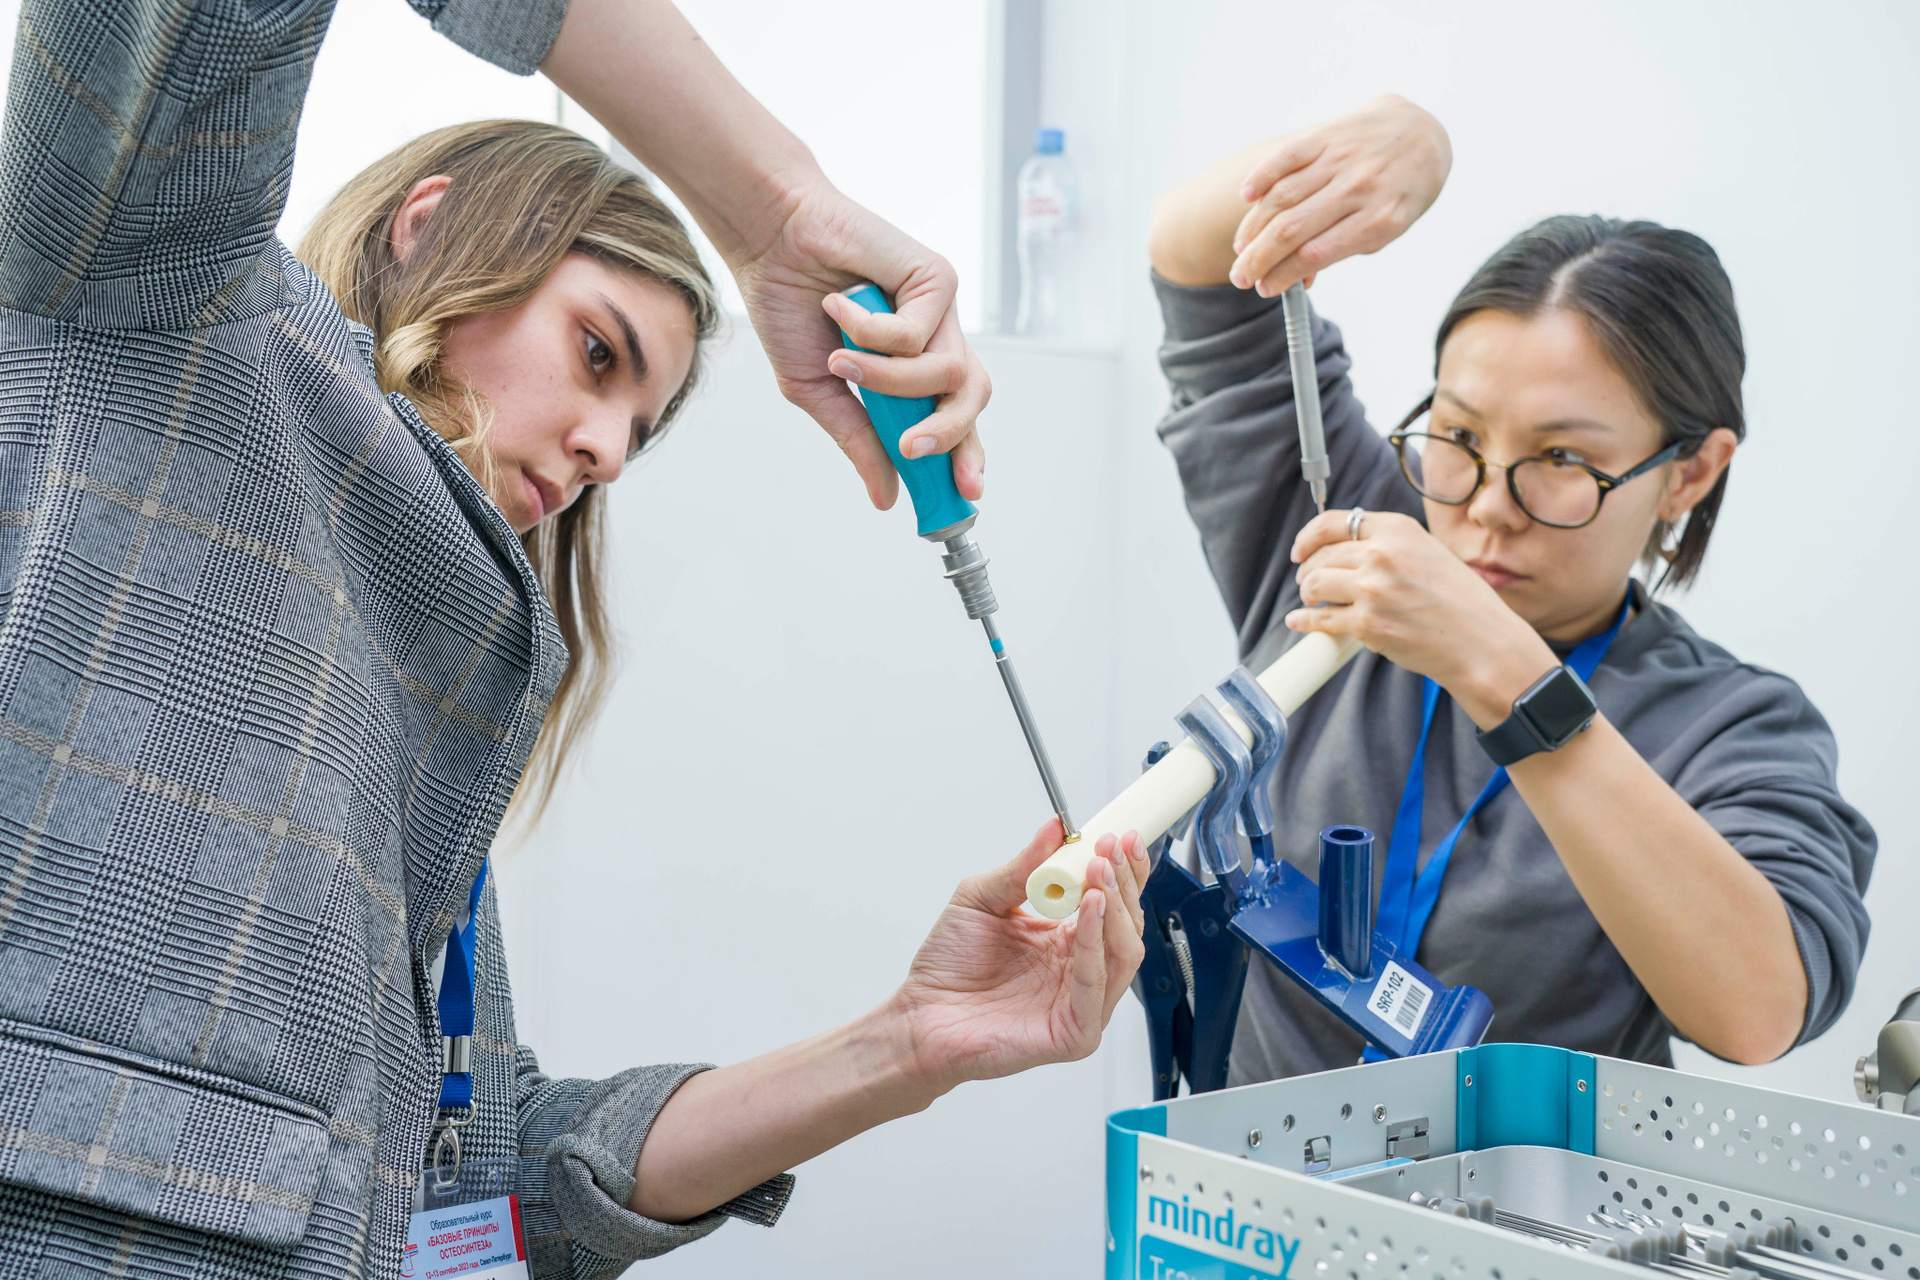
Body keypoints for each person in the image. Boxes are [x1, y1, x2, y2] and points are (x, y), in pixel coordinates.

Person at [0, 0, 1146, 1276]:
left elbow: (485, 1178)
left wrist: (910, 1041)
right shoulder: (157, 294)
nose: (604, 451)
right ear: (426, 225)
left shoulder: (427, 695)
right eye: (598, 352)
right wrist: (771, 211)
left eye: (637, 434)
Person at [1144, 95, 1873, 1083]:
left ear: (1689, 473)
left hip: (1522, 1190)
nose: (1488, 507)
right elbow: (1193, 262)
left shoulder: (1728, 724)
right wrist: (1400, 139)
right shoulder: (1344, 536)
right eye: (1458, 434)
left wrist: (1500, 668)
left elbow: (1760, 1010)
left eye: (1561, 458)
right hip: (1235, 1180)